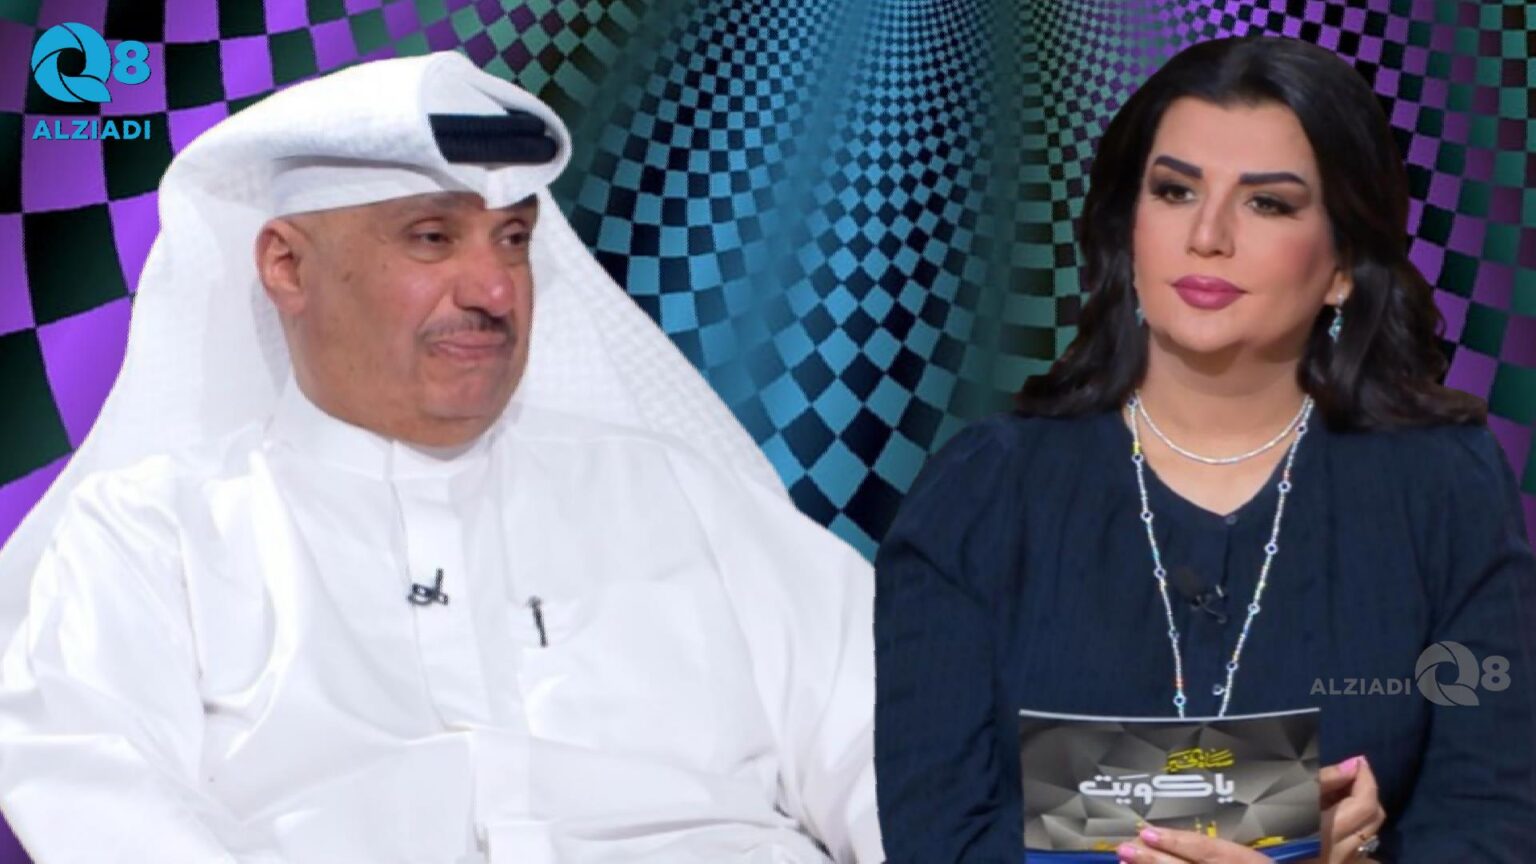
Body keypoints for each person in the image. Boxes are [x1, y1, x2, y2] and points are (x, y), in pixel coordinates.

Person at [0, 52, 882, 864]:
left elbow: (896, 752)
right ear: (287, 268)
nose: (495, 289)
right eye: (431, 237)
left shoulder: (679, 494)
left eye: (514, 239)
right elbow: (104, 803)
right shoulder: (158, 533)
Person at [873, 35, 1535, 864]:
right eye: (1175, 190)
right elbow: (937, 838)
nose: (1209, 234)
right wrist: (1280, 832)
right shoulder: (982, 490)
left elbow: (1492, 821)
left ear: (1342, 265)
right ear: (1128, 228)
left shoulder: (1444, 483)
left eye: (1269, 204)